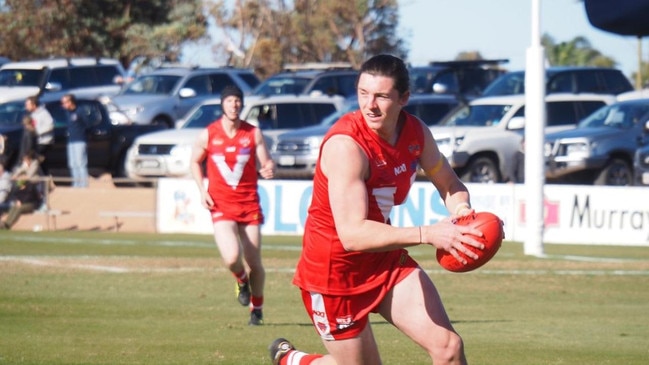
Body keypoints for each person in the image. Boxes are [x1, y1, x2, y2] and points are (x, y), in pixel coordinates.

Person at [269, 55, 484, 365]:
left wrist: (463, 212)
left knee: (449, 348)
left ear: (403, 98)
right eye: (363, 94)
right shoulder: (346, 146)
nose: (370, 105)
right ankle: (294, 361)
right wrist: (428, 234)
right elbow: (353, 235)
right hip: (334, 273)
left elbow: (449, 183)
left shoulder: (416, 133)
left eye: (381, 96)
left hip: (383, 260)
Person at [189, 84, 275, 326]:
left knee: (255, 263)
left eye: (237, 101)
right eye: (229, 101)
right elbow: (194, 162)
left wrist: (269, 168)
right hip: (221, 205)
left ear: (242, 104)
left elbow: (266, 162)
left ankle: (256, 310)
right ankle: (240, 280)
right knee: (231, 258)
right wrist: (201, 189)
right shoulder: (209, 134)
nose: (234, 105)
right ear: (222, 104)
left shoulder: (253, 133)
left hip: (249, 205)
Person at [61, 94, 89, 188]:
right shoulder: (67, 113)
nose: (63, 105)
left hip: (79, 140)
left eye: (65, 102)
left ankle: (83, 184)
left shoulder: (80, 111)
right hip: (71, 141)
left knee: (80, 163)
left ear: (70, 102)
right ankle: (76, 183)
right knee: (72, 163)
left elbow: (86, 124)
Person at [25, 95, 54, 172]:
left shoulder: (44, 113)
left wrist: (38, 132)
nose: (26, 107)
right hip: (36, 141)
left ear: (34, 105)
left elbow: (50, 125)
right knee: (39, 163)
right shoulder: (32, 114)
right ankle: (43, 179)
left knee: (39, 161)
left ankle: (45, 179)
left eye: (28, 105)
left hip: (44, 142)